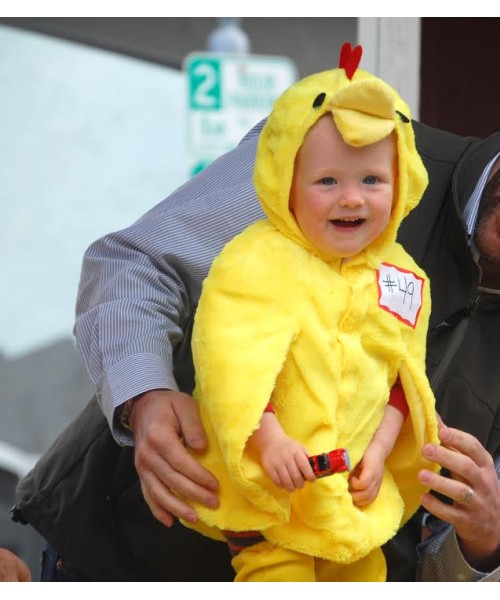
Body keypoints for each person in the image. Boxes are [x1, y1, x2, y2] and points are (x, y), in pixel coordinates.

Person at [13, 73, 500, 581]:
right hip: (122, 556)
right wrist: (145, 393)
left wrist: (490, 539)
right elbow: (134, 263)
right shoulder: (361, 155)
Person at [183, 46, 438, 581]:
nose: (352, 199)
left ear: (403, 182)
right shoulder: (255, 261)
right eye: (327, 182)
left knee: (366, 572)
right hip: (273, 492)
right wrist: (267, 438)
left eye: (372, 180)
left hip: (348, 494)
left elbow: (402, 376)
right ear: (285, 183)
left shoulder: (403, 274)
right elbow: (232, 365)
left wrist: (383, 447)